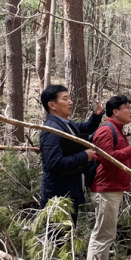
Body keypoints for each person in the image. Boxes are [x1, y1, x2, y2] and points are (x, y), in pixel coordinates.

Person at [86, 95, 131, 260]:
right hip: (105, 189)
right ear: (115, 111)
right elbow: (107, 159)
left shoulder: (119, 130)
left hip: (114, 188)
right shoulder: (106, 130)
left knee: (106, 233)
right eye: (126, 107)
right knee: (103, 234)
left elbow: (116, 155)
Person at [39, 84, 103, 226]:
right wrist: (84, 157)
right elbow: (54, 163)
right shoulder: (51, 130)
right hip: (57, 197)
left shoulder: (66, 125)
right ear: (52, 105)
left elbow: (84, 129)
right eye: (65, 99)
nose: (70, 102)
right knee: (58, 241)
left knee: (67, 240)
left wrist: (96, 114)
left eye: (70, 98)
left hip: (68, 194)